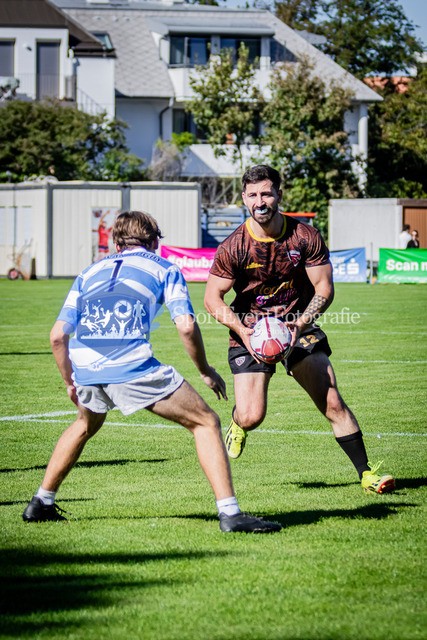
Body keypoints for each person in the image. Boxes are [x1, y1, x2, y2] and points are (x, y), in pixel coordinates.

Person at [23, 210, 281, 533]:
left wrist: (70, 381)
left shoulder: (87, 273)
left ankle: (41, 502)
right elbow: (186, 327)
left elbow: (57, 336)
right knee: (206, 422)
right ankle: (231, 514)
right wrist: (205, 370)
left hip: (85, 366)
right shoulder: (165, 269)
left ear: (116, 243)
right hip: (128, 365)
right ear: (155, 241)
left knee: (85, 424)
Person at [204, 165, 395, 494]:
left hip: (298, 325)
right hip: (250, 331)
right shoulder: (233, 246)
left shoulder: (305, 236)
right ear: (244, 199)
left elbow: (324, 288)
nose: (260, 201)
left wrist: (301, 323)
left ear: (279, 194)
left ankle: (367, 474)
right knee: (252, 416)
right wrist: (242, 330)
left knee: (332, 401)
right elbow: (211, 298)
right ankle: (239, 422)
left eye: (266, 193)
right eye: (253, 195)